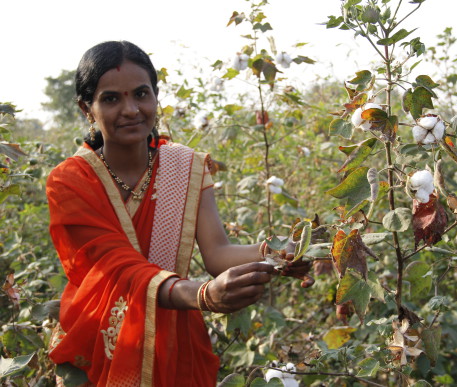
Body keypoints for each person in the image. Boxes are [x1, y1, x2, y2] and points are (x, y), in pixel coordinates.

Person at [46, 40, 313, 386]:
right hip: (102, 340)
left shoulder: (184, 166)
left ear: (156, 97)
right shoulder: (69, 182)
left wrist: (278, 253)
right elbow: (115, 268)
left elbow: (217, 253)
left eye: (141, 94)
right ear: (87, 108)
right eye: (111, 98)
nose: (130, 109)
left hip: (176, 338)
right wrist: (202, 295)